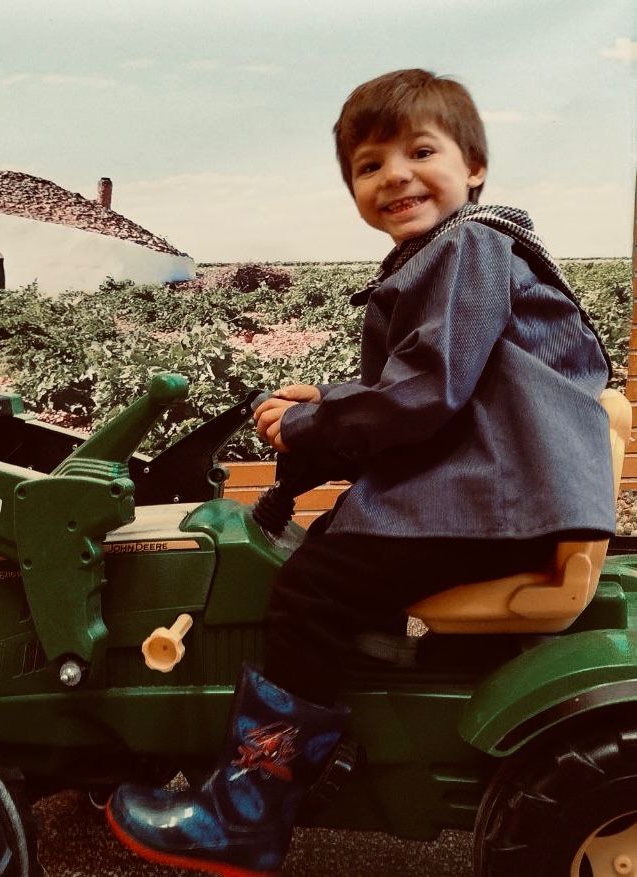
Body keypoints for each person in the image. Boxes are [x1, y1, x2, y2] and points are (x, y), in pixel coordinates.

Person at [106, 68, 615, 876]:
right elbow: (432, 386)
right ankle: (326, 743)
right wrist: (331, 404)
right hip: (500, 488)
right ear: (352, 189)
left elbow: (426, 392)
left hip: (491, 501)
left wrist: (314, 421)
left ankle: (249, 810)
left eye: (421, 150)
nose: (396, 175)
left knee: (309, 591)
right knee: (335, 540)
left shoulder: (469, 246)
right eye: (370, 166)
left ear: (473, 166)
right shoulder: (461, 252)